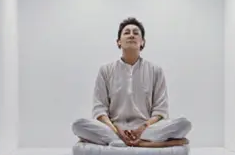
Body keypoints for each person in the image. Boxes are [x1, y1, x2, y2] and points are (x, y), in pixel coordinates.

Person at [71, 17, 192, 148]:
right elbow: (99, 109)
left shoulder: (155, 70)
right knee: (78, 125)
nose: (131, 35)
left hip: (147, 129)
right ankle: (143, 144)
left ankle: (129, 143)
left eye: (136, 33)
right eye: (126, 32)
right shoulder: (105, 70)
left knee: (184, 124)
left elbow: (160, 110)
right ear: (118, 42)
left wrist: (143, 128)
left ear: (142, 42)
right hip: (114, 129)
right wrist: (116, 129)